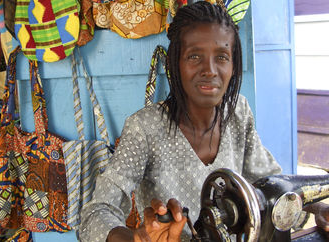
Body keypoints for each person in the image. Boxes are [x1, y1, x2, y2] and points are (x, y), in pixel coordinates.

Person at [79, 1, 329, 241]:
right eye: (194, 57)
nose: (209, 70)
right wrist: (134, 239)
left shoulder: (238, 112)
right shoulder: (145, 128)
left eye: (221, 57)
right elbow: (95, 213)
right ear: (175, 64)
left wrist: (317, 207)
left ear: (233, 65)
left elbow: (269, 183)